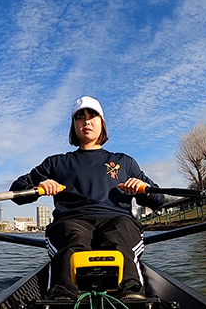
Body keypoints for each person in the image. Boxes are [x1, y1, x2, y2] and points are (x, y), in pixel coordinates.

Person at [10, 96, 164, 300]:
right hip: (72, 222)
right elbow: (17, 191)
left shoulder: (124, 162)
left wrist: (144, 190)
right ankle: (62, 295)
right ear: (74, 126)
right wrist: (37, 186)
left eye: (93, 116)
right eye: (80, 117)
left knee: (119, 234)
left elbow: (158, 200)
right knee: (72, 236)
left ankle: (132, 293)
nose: (87, 121)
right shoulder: (56, 163)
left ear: (102, 123)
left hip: (117, 222)